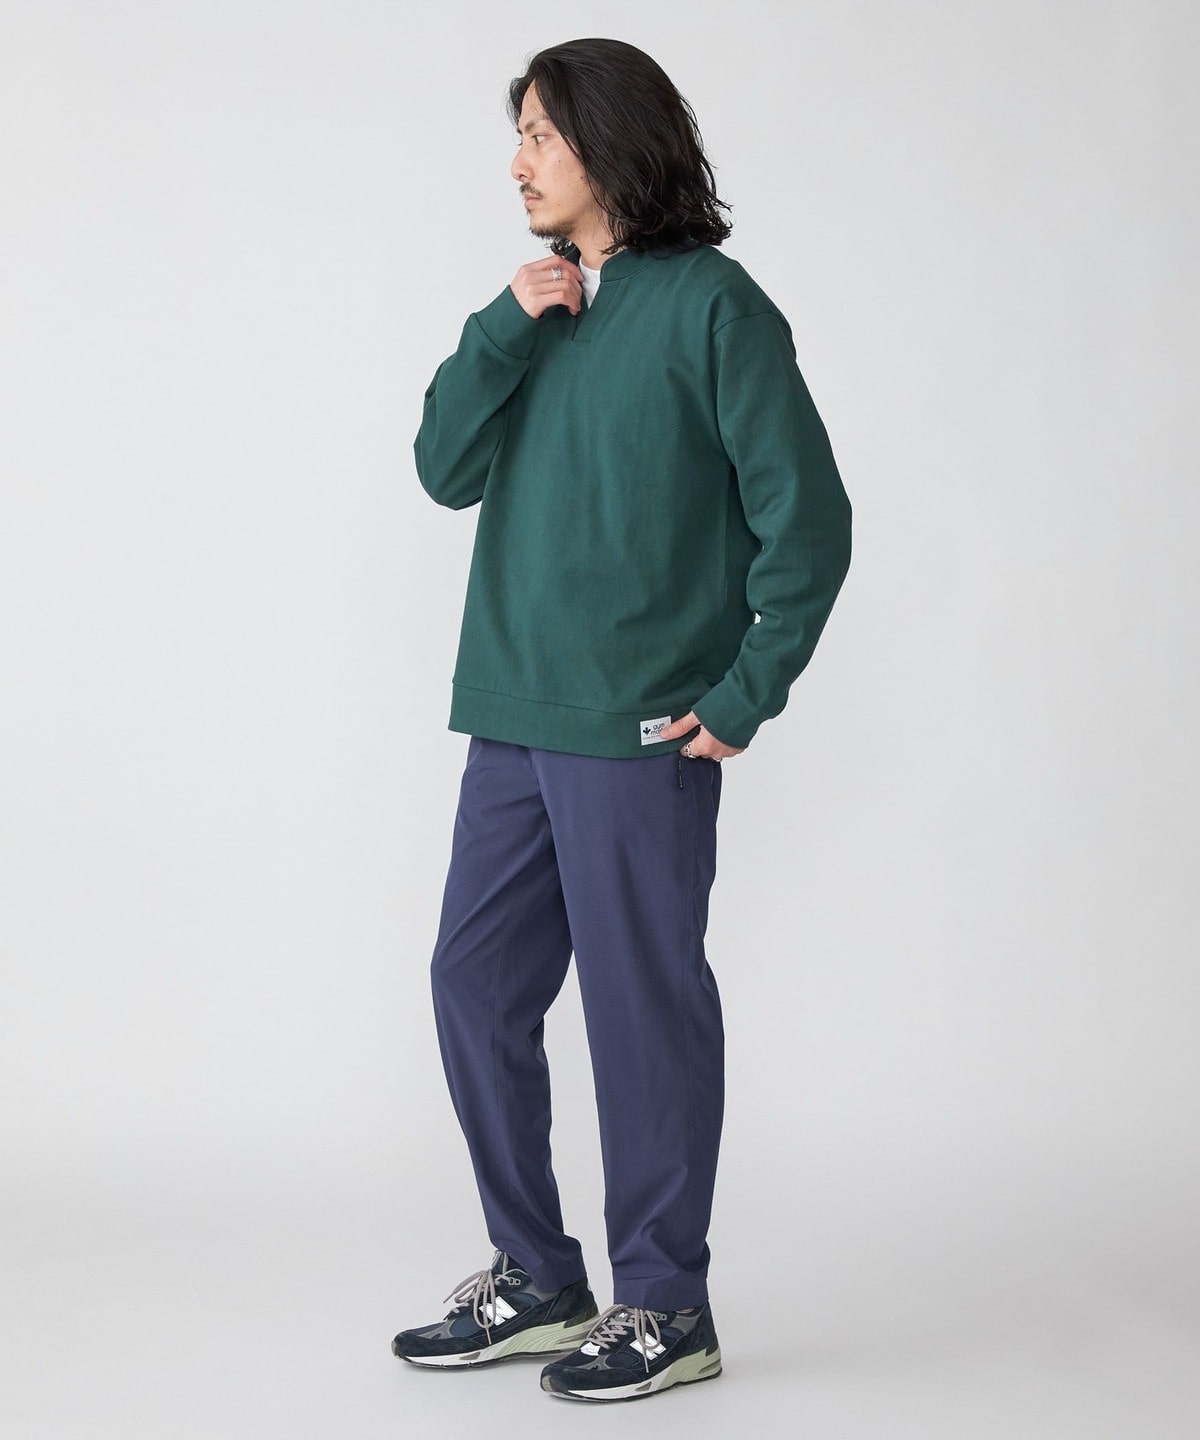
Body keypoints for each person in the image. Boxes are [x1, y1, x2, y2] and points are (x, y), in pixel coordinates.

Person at [391, 37, 852, 1402]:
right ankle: (539, 1277)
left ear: (611, 140)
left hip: (641, 731)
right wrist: (503, 324)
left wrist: (745, 692)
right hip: (514, 715)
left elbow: (808, 521)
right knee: (473, 985)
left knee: (640, 1011)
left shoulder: (715, 308)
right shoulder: (538, 313)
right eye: (521, 135)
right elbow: (441, 469)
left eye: (541, 133)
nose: (519, 161)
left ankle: (666, 1304)